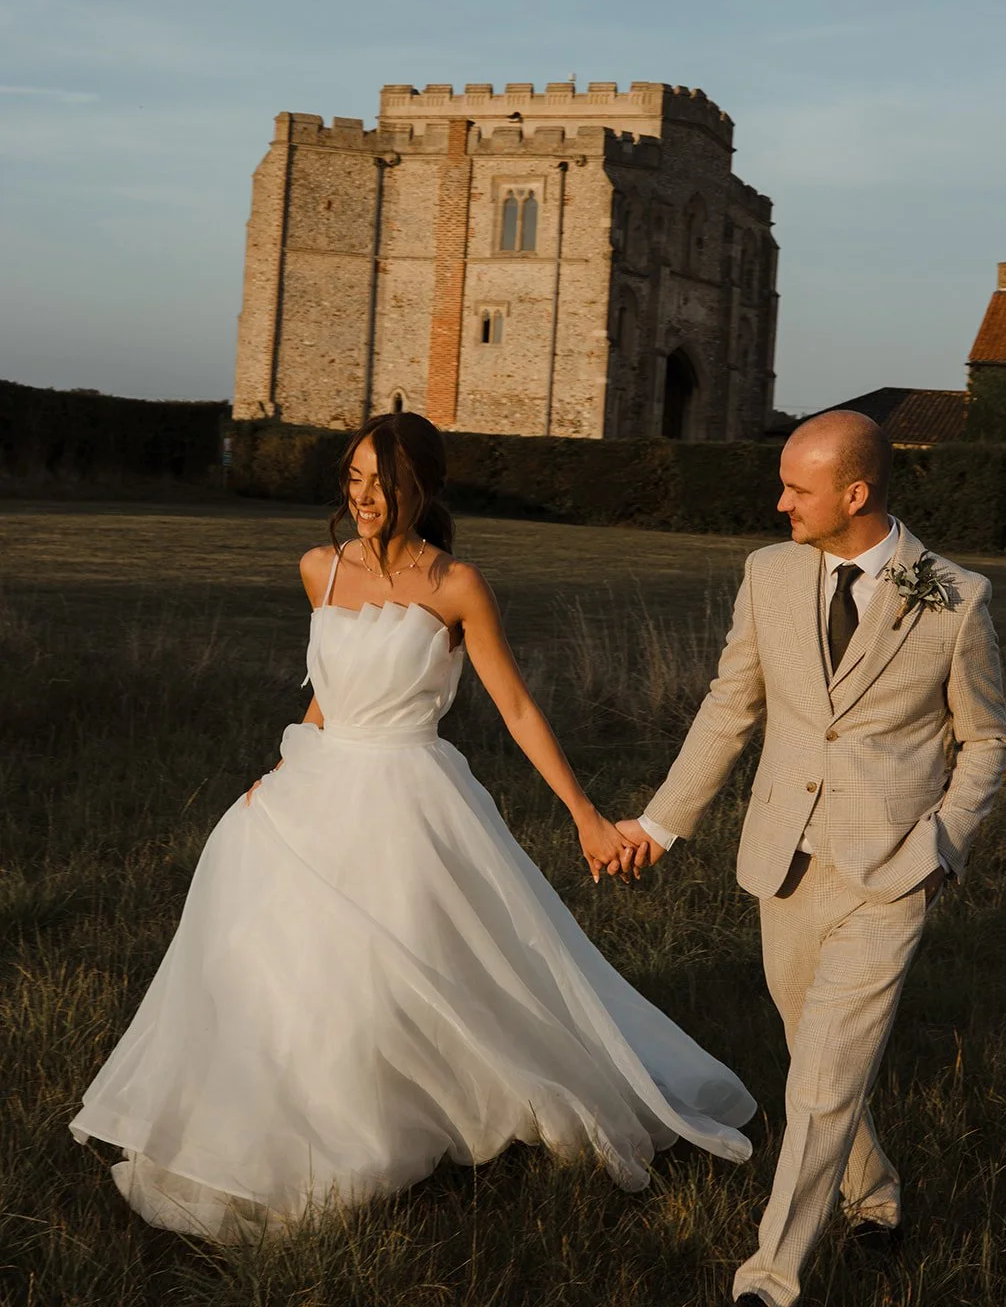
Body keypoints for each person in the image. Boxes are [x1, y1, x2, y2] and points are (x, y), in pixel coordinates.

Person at [70, 411, 756, 1240]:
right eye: (353, 479)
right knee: (288, 965)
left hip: (411, 794)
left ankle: (414, 1109)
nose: (363, 498)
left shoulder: (457, 584)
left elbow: (513, 705)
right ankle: (295, 1114)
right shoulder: (317, 569)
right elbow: (326, 691)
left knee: (422, 966)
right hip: (315, 787)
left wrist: (583, 815)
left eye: (383, 484)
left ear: (420, 489)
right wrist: (282, 772)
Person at [617, 410, 1006, 1307]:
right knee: (812, 1059)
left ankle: (770, 1277)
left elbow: (988, 740)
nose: (780, 501)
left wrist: (944, 845)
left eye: (798, 487)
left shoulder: (957, 597)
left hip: (891, 872)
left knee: (827, 1077)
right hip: (782, 864)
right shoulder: (768, 574)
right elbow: (730, 707)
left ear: (855, 494)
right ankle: (874, 1197)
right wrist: (660, 825)